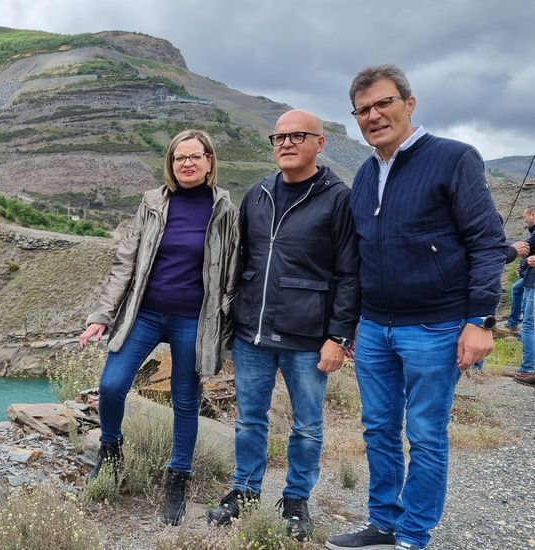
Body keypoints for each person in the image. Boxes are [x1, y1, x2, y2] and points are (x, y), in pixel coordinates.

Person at [326, 65, 507, 550]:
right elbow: (361, 253)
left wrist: (480, 320)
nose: (374, 115)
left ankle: (413, 535)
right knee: (378, 430)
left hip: (436, 326)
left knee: (426, 435)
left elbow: (487, 243)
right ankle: (383, 524)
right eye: (363, 110)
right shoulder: (364, 174)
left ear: (409, 103)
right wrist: (355, 324)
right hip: (375, 328)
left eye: (383, 103)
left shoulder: (453, 159)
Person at [204, 110, 360, 541]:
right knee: (250, 419)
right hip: (253, 331)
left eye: (297, 136)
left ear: (319, 143)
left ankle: (295, 501)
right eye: (279, 137)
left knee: (307, 425)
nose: (286, 143)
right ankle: (244, 491)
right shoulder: (257, 194)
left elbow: (350, 273)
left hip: (308, 337)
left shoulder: (338, 198)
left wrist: (339, 337)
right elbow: (240, 262)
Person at [78, 129, 239, 525]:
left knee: (186, 400)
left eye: (194, 157)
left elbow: (234, 270)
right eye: (178, 157)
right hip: (145, 313)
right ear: (170, 163)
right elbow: (125, 263)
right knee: (112, 385)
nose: (186, 163)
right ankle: (111, 448)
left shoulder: (224, 209)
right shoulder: (152, 203)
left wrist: (229, 325)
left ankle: (178, 477)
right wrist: (101, 316)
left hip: (192, 319)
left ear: (209, 161)